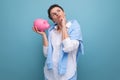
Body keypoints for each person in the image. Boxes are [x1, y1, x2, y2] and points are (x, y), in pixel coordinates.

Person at [33, 4, 83, 80]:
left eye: (58, 11)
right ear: (53, 20)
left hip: (67, 74)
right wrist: (43, 35)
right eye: (54, 14)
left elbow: (68, 47)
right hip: (51, 74)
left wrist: (63, 26)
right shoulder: (52, 31)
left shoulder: (74, 27)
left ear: (64, 12)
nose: (57, 14)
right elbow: (46, 54)